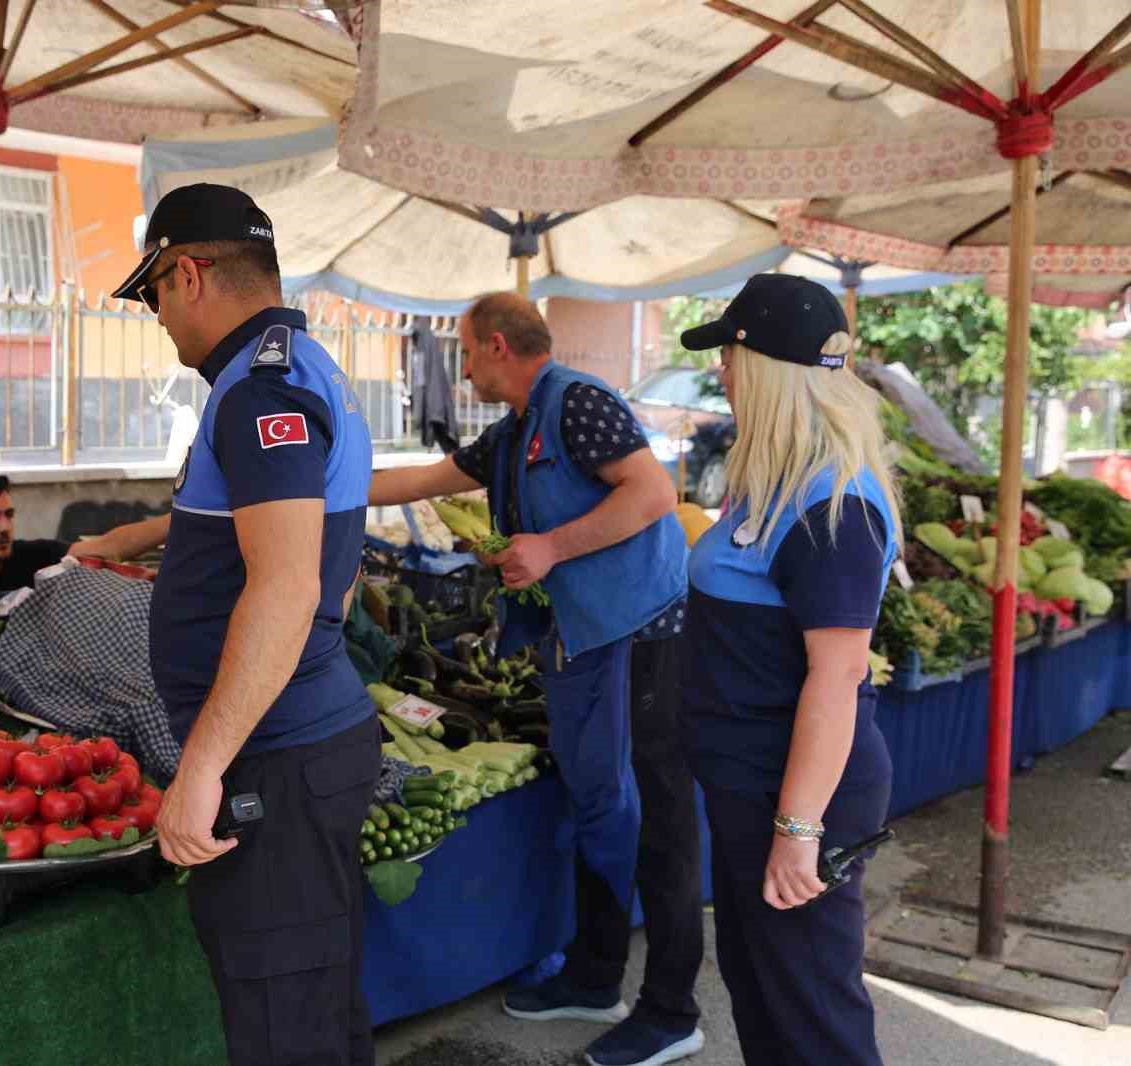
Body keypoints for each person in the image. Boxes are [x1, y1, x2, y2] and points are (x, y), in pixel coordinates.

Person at [368, 292, 705, 1066]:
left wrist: (549, 547)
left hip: (640, 634)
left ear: (495, 345)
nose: (463, 365)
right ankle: (594, 976)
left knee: (653, 814)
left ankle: (670, 1007)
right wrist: (325, 490)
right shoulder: (515, 430)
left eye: (467, 350)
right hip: (578, 638)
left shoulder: (579, 403)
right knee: (598, 801)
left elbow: (654, 493)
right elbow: (424, 480)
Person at [112, 182, 379, 1066]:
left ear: (187, 274)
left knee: (283, 1032)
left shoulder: (261, 388)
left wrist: (202, 768)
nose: (156, 316)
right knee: (314, 1009)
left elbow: (286, 586)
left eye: (152, 293)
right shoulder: (289, 368)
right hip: (299, 747)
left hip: (277, 761)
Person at [676, 274, 899, 1066]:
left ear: (761, 367)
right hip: (753, 785)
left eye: (730, 358)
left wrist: (798, 832)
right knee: (764, 989)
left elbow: (836, 679)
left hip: (797, 793)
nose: (722, 375)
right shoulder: (770, 482)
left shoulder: (831, 505)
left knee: (812, 1014)